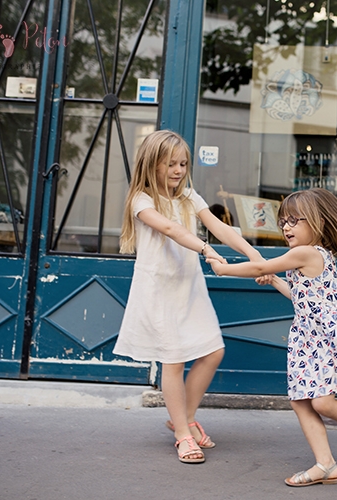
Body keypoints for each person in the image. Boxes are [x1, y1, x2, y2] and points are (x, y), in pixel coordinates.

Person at [206, 188, 337, 486]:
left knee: (321, 402)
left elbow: (258, 265)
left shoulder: (306, 252)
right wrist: (275, 281)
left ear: (317, 222)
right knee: (301, 400)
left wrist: (222, 269)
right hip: (309, 338)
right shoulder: (307, 257)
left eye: (295, 220)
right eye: (283, 221)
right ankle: (325, 464)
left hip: (324, 337)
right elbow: (300, 296)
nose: (286, 227)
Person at [113, 130, 264, 464]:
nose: (178, 170)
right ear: (152, 165)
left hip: (189, 287)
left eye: (182, 163)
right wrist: (206, 249)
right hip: (159, 290)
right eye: (170, 164)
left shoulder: (189, 197)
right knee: (174, 358)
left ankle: (183, 415)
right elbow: (171, 230)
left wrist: (256, 257)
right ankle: (183, 434)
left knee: (213, 351)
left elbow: (221, 228)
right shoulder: (142, 199)